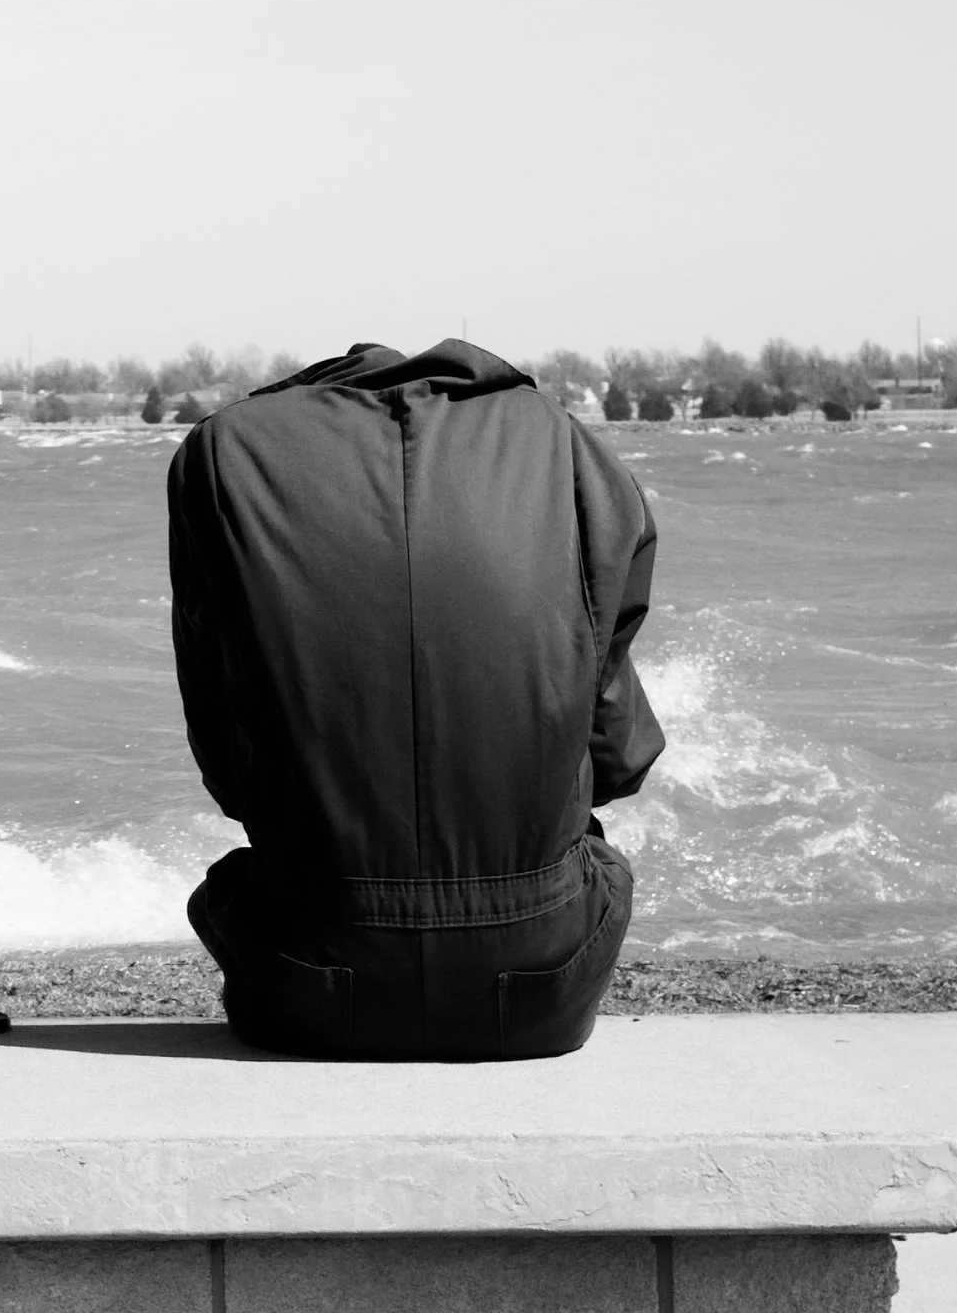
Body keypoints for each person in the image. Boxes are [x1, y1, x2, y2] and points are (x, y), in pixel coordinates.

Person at [170, 337, 661, 1061]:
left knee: (244, 882)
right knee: (597, 863)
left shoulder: (223, 450)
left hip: (305, 980)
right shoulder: (567, 445)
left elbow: (225, 755)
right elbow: (619, 755)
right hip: (538, 981)